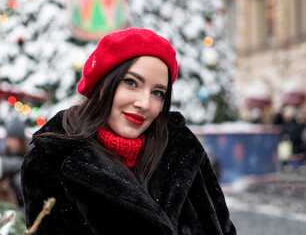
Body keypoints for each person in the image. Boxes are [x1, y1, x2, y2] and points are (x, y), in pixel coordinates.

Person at [21, 28, 236, 234]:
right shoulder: (50, 161)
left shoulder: (184, 151)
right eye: (131, 83)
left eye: (158, 93)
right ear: (103, 84)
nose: (145, 103)